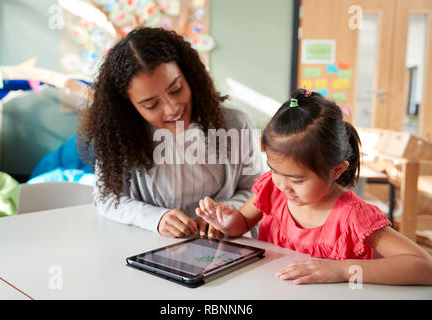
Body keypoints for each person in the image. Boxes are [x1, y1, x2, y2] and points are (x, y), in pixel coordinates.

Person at [196, 88, 432, 285]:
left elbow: (424, 267)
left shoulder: (353, 216)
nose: (283, 185)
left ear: (336, 170)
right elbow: (243, 223)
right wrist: (228, 222)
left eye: (297, 180)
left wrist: (341, 270)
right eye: (274, 170)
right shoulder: (272, 189)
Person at [78, 27, 264, 239]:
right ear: (130, 108)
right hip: (156, 246)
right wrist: (156, 218)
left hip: (225, 243)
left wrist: (223, 212)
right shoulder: (121, 135)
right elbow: (107, 198)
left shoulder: (235, 123)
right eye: (151, 104)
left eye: (176, 89)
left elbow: (257, 190)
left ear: (189, 77)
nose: (173, 108)